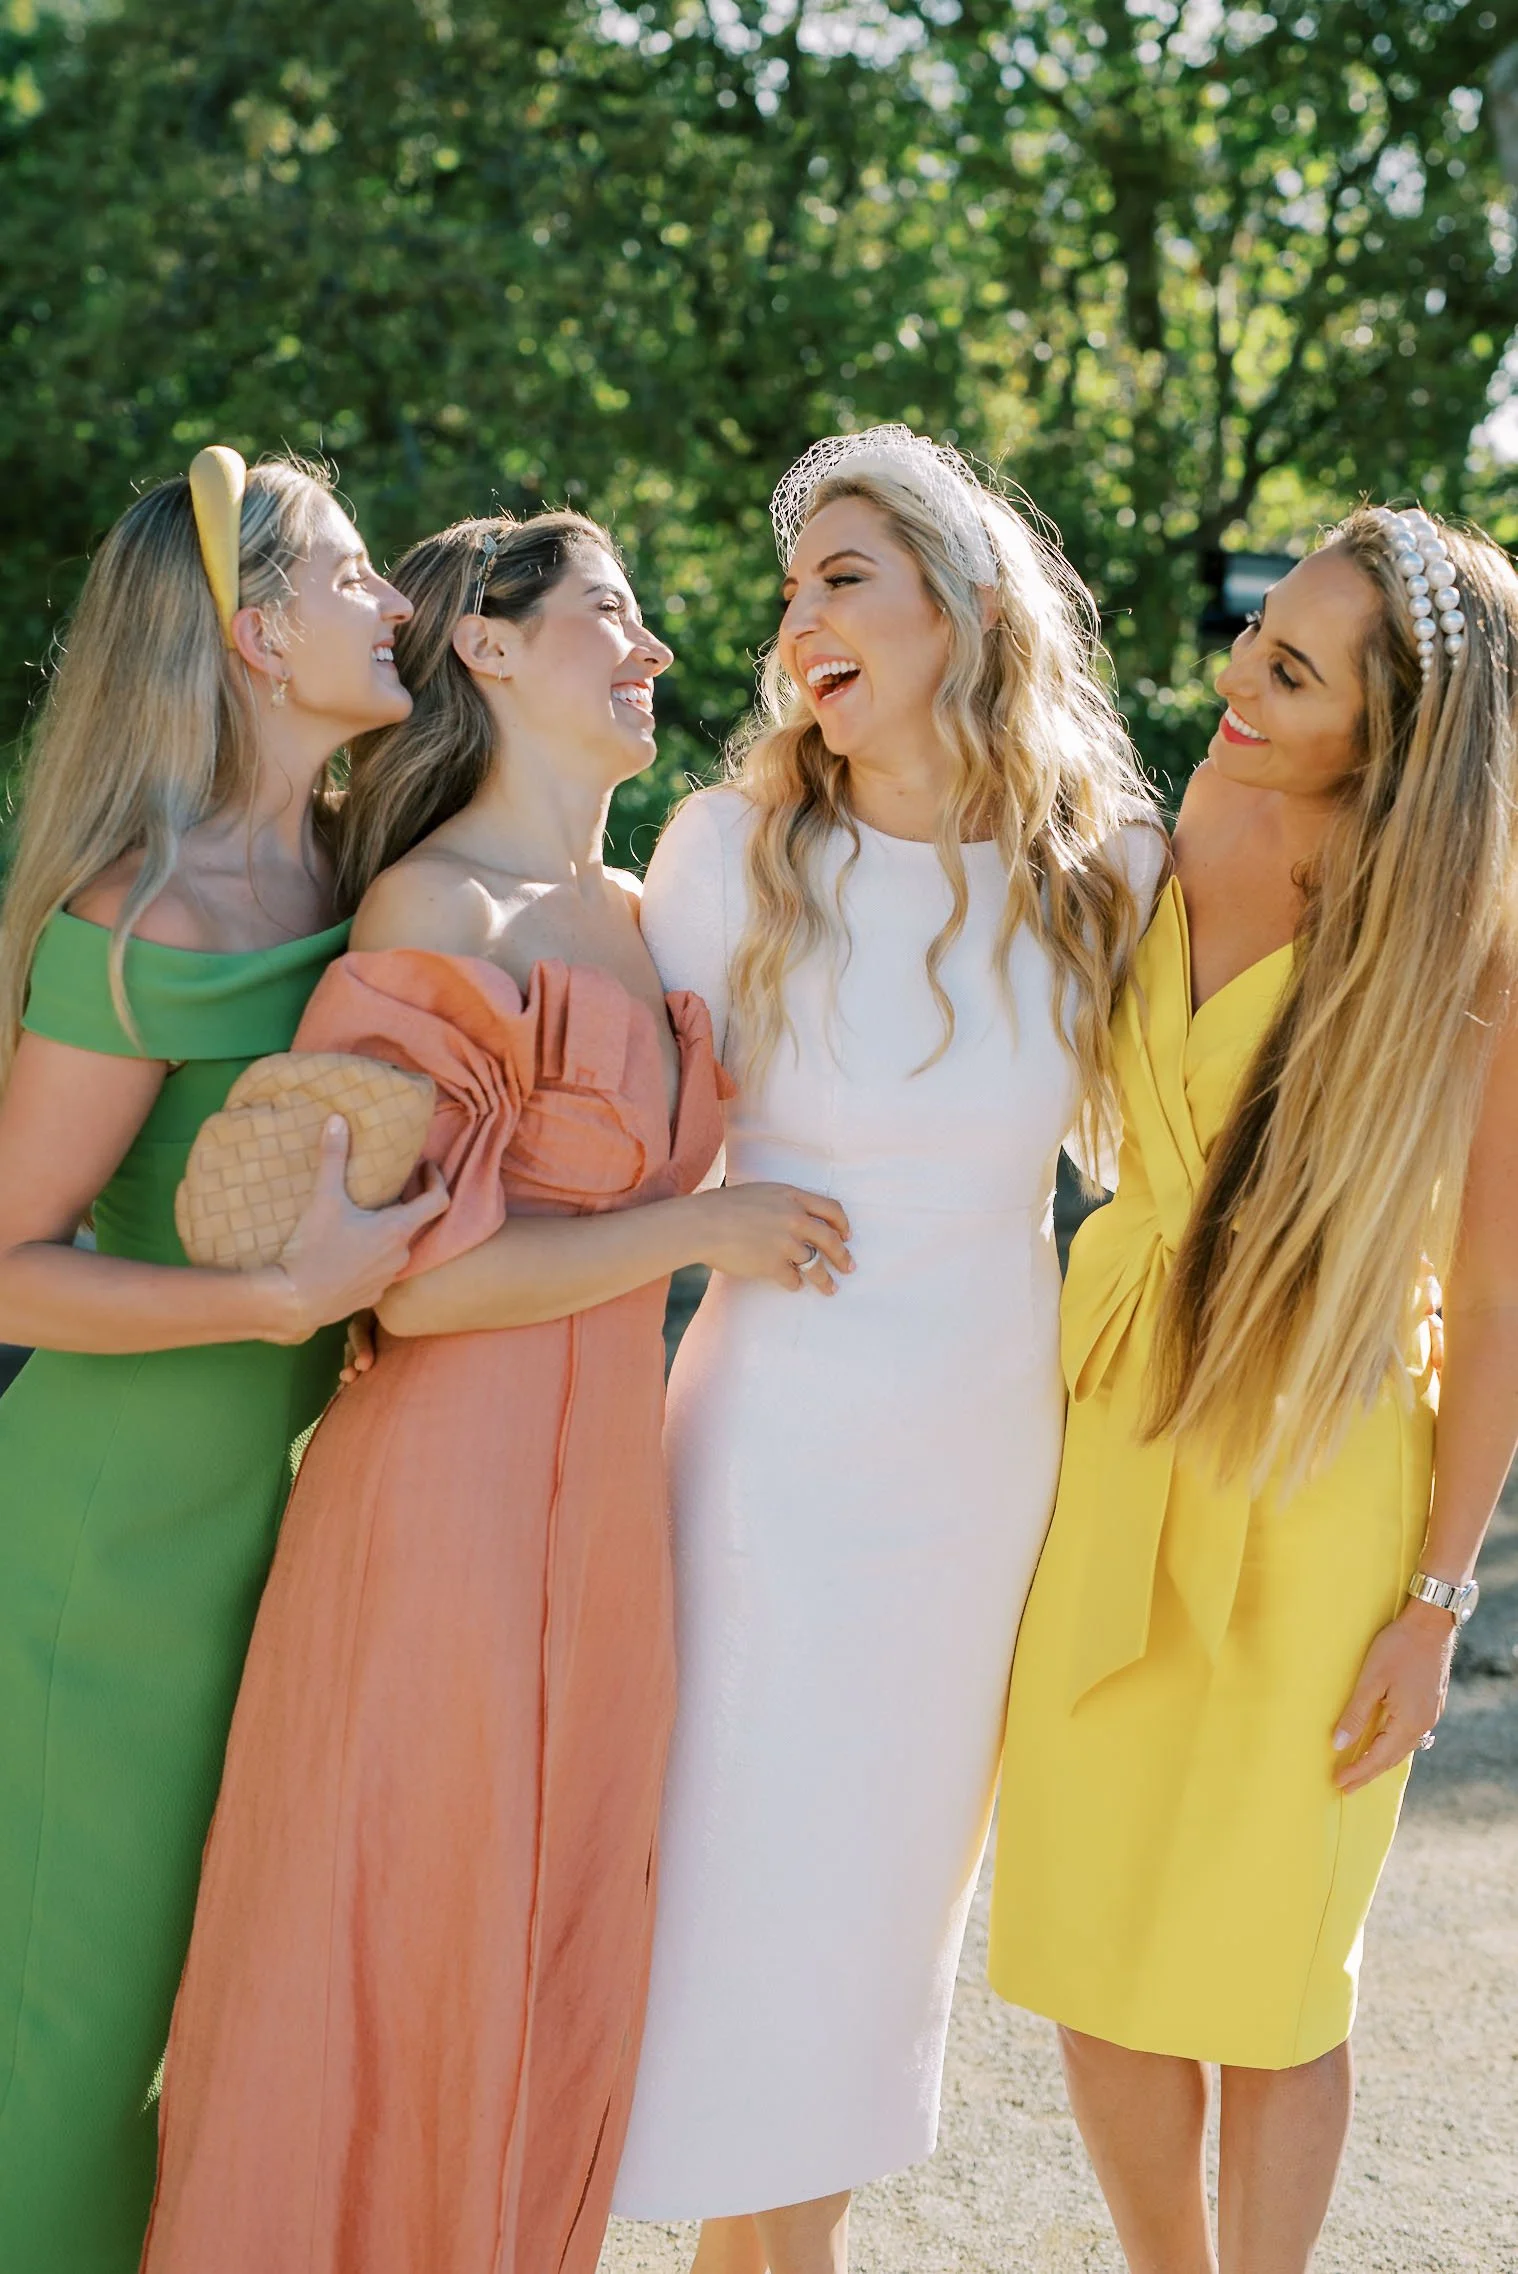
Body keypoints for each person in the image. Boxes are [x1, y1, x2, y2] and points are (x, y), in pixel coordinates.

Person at [140, 510, 851, 2274]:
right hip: (441, 1506)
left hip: (602, 1510)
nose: (652, 648)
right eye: (610, 610)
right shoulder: (433, 903)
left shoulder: (646, 916)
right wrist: (703, 1226)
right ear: (490, 644)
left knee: (553, 1942)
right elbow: (418, 1280)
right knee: (401, 1936)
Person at [612, 428, 1164, 2274]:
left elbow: (1196, 1137)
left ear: (967, 604)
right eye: (791, 592)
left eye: (843, 578)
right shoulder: (725, 854)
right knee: (737, 1894)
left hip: (976, 1468)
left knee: (872, 1923)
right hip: (763, 1454)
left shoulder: (1108, 871)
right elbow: (610, 1140)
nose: (798, 623)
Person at [988, 506, 1518, 2274]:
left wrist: (1433, 1603)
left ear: (1395, 736)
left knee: (1268, 1974)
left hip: (1317, 1495)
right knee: (1089, 1946)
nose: (1235, 680)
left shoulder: (1467, 945)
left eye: (1290, 670)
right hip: (1105, 1429)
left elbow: (1496, 1299)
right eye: (1254, 634)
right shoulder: (1182, 820)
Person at [0, 448, 446, 2272]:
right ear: (258, 636)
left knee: (223, 2025)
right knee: (68, 2041)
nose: (395, 603)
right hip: (98, 1562)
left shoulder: (364, 873)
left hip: (286, 1542)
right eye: (352, 576)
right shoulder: (142, 919)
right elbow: (10, 1267)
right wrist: (273, 1304)